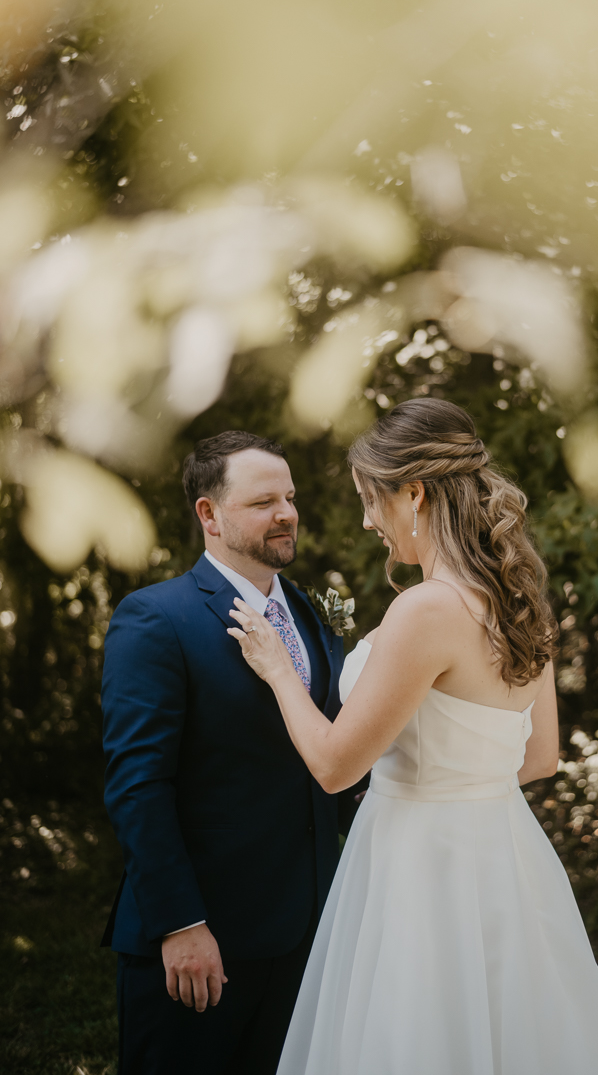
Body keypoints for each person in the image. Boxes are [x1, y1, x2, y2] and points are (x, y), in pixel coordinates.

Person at [228, 398, 598, 1075]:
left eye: (372, 499)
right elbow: (540, 758)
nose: (368, 519)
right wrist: (454, 782)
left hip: (419, 861)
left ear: (415, 493)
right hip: (504, 853)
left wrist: (278, 671)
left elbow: (336, 767)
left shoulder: (426, 608)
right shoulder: (522, 600)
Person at [101, 430, 364, 1075]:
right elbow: (138, 785)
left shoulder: (309, 610)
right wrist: (180, 924)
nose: (285, 514)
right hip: (203, 940)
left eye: (290, 498)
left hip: (306, 934)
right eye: (262, 502)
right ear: (209, 515)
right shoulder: (156, 619)